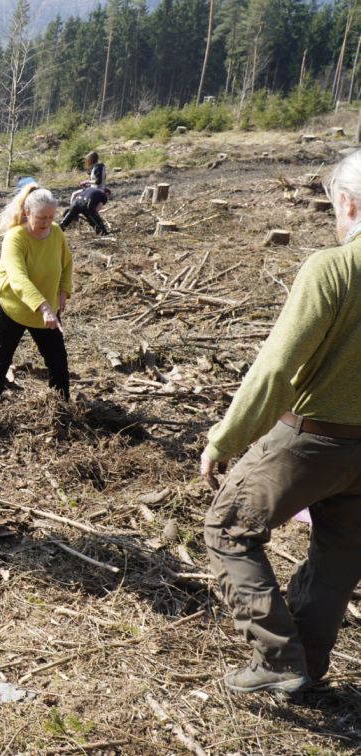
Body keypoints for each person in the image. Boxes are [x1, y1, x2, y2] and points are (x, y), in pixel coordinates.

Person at [199, 150, 361, 697]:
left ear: (348, 202)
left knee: (227, 528)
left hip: (311, 438)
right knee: (340, 554)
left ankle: (276, 658)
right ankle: (307, 666)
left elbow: (276, 366)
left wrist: (226, 438)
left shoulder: (333, 268)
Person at [0, 182, 72, 405]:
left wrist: (63, 290)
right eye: (41, 218)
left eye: (51, 217)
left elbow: (67, 263)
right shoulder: (16, 238)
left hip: (46, 309)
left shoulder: (57, 232)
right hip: (10, 306)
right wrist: (44, 307)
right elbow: (18, 278)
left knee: (58, 361)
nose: (47, 223)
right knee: (1, 361)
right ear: (27, 212)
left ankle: (61, 407)